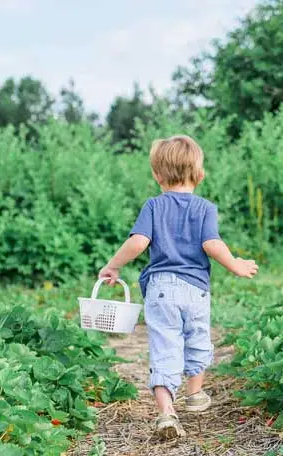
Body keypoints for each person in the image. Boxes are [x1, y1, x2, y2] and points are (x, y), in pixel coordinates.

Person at [98, 135, 258, 439]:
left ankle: (166, 413)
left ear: (157, 175)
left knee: (164, 346)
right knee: (198, 338)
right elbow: (212, 244)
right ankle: (195, 394)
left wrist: (114, 265)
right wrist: (235, 263)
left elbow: (138, 242)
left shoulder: (154, 206)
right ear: (200, 174)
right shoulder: (205, 208)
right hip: (195, 289)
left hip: (160, 289)